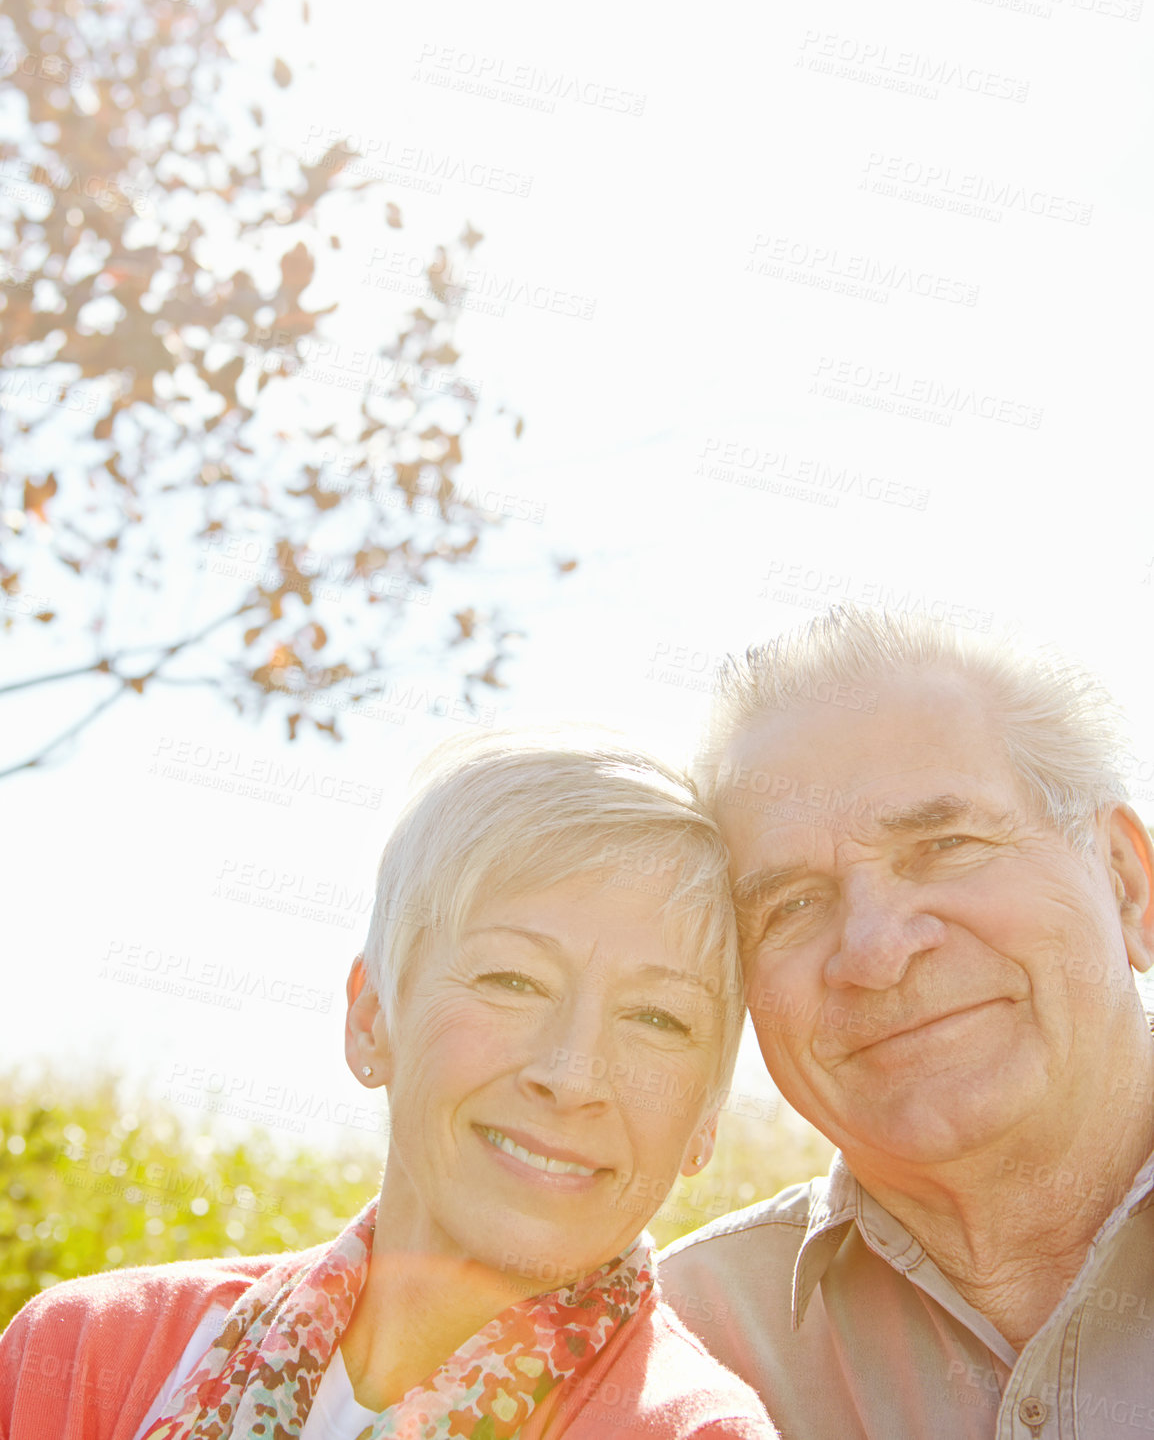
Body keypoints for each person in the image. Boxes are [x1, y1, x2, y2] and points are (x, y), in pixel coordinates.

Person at [0, 732, 777, 1440]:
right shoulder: (79, 1359)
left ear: (707, 1112)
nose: (573, 1076)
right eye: (512, 979)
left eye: (656, 1018)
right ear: (372, 1019)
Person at [659, 606, 1154, 1439]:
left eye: (945, 846)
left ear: (1126, 885)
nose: (876, 951)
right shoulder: (663, 1351)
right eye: (792, 905)